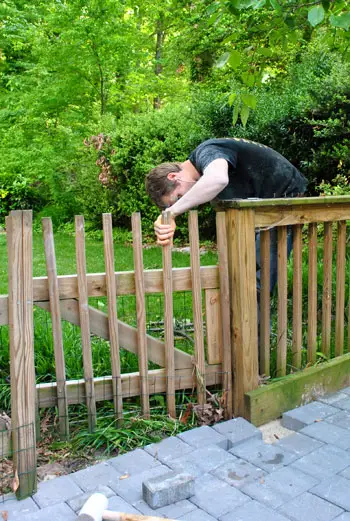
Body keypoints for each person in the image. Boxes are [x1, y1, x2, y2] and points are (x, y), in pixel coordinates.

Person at [145, 137, 307, 299]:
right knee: (242, 275)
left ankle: (254, 323)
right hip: (264, 207)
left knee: (256, 282)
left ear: (174, 176)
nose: (186, 202)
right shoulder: (204, 172)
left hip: (285, 200)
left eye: (179, 197)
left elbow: (218, 179)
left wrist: (172, 213)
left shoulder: (207, 152)